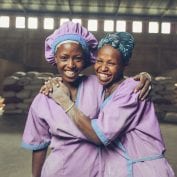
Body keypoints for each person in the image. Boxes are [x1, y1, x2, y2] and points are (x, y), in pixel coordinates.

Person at [21, 21, 151, 177]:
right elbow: (39, 146)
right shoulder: (44, 98)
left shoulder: (99, 86)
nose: (70, 65)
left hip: (98, 171)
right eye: (64, 58)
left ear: (87, 58)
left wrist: (145, 77)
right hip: (58, 172)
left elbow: (121, 84)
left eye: (77, 58)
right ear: (54, 58)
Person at [47, 32, 175, 177]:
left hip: (145, 170)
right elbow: (72, 77)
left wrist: (65, 102)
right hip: (122, 167)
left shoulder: (132, 91)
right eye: (99, 61)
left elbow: (99, 136)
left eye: (111, 63)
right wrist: (55, 82)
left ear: (124, 64)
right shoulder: (104, 88)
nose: (103, 68)